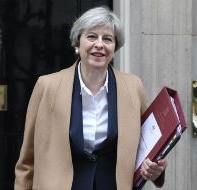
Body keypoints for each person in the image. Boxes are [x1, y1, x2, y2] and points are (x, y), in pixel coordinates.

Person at [14, 6, 167, 190]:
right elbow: (27, 161)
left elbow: (150, 144)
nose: (99, 44)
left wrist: (157, 168)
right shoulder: (47, 86)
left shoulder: (133, 87)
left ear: (114, 48)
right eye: (92, 36)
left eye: (108, 39)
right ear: (78, 43)